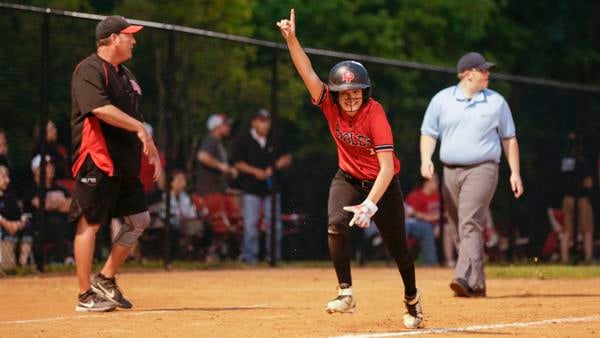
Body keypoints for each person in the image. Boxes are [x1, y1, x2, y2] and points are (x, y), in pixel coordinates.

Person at [277, 9, 423, 328]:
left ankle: (412, 300)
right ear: (336, 94)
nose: (351, 96)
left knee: (398, 248)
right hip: (347, 178)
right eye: (345, 92)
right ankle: (346, 293)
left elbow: (387, 168)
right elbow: (308, 74)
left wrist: (371, 204)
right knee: (334, 224)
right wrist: (291, 39)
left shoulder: (375, 115)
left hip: (382, 186)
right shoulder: (329, 104)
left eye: (357, 90)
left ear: (365, 92)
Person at [69, 15, 161, 312]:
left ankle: (105, 278)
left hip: (125, 163)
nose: (134, 40)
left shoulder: (128, 76)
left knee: (140, 220)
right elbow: (99, 109)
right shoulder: (89, 69)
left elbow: (137, 118)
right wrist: (138, 128)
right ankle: (85, 296)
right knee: (90, 223)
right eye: (129, 35)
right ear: (112, 38)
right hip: (97, 158)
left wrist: (151, 146)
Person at [420, 52, 523, 298]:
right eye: (483, 70)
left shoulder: (496, 102)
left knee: (469, 222)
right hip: (449, 171)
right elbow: (428, 132)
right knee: (458, 227)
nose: (488, 74)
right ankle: (477, 283)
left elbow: (509, 138)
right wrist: (426, 159)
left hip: (483, 168)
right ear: (468, 74)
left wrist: (515, 172)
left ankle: (461, 275)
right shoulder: (442, 100)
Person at [231, 108, 292, 264]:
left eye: (267, 121)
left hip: (272, 189)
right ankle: (250, 259)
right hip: (251, 189)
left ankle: (273, 257)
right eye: (262, 121)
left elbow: (287, 158)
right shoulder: (242, 140)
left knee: (275, 226)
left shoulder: (276, 138)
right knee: (250, 226)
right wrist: (255, 172)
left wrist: (275, 167)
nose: (265, 125)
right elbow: (237, 163)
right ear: (254, 122)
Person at [196, 113, 240, 260]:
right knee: (218, 225)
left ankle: (215, 254)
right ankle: (209, 254)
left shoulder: (218, 142)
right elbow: (202, 156)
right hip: (210, 191)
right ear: (216, 126)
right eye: (226, 124)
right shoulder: (211, 140)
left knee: (225, 224)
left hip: (217, 190)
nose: (229, 127)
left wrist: (227, 172)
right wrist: (223, 167)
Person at [24, 155, 71, 265]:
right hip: (39, 228)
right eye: (46, 166)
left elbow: (72, 205)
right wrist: (61, 203)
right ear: (36, 171)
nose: (51, 168)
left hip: (64, 223)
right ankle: (67, 258)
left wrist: (53, 204)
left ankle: (95, 257)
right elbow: (43, 205)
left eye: (51, 166)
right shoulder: (31, 188)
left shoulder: (59, 187)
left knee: (86, 219)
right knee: (53, 221)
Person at [558, 132, 595, 264]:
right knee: (587, 230)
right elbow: (588, 182)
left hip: (567, 198)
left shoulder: (564, 160)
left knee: (567, 231)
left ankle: (565, 258)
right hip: (582, 199)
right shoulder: (582, 160)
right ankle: (588, 258)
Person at [405, 175, 440, 266]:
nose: (437, 183)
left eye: (436, 181)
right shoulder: (415, 196)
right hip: (417, 225)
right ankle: (401, 260)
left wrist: (436, 222)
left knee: (427, 229)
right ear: (426, 183)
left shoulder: (439, 196)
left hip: (436, 226)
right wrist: (426, 217)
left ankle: (431, 263)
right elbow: (409, 213)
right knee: (404, 226)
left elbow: (447, 213)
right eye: (434, 181)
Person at [0, 165, 27, 270]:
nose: (7, 180)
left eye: (8, 177)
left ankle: (23, 265)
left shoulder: (9, 197)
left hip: (11, 232)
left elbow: (20, 215)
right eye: (3, 177)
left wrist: (20, 222)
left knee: (28, 227)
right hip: (3, 231)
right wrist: (5, 223)